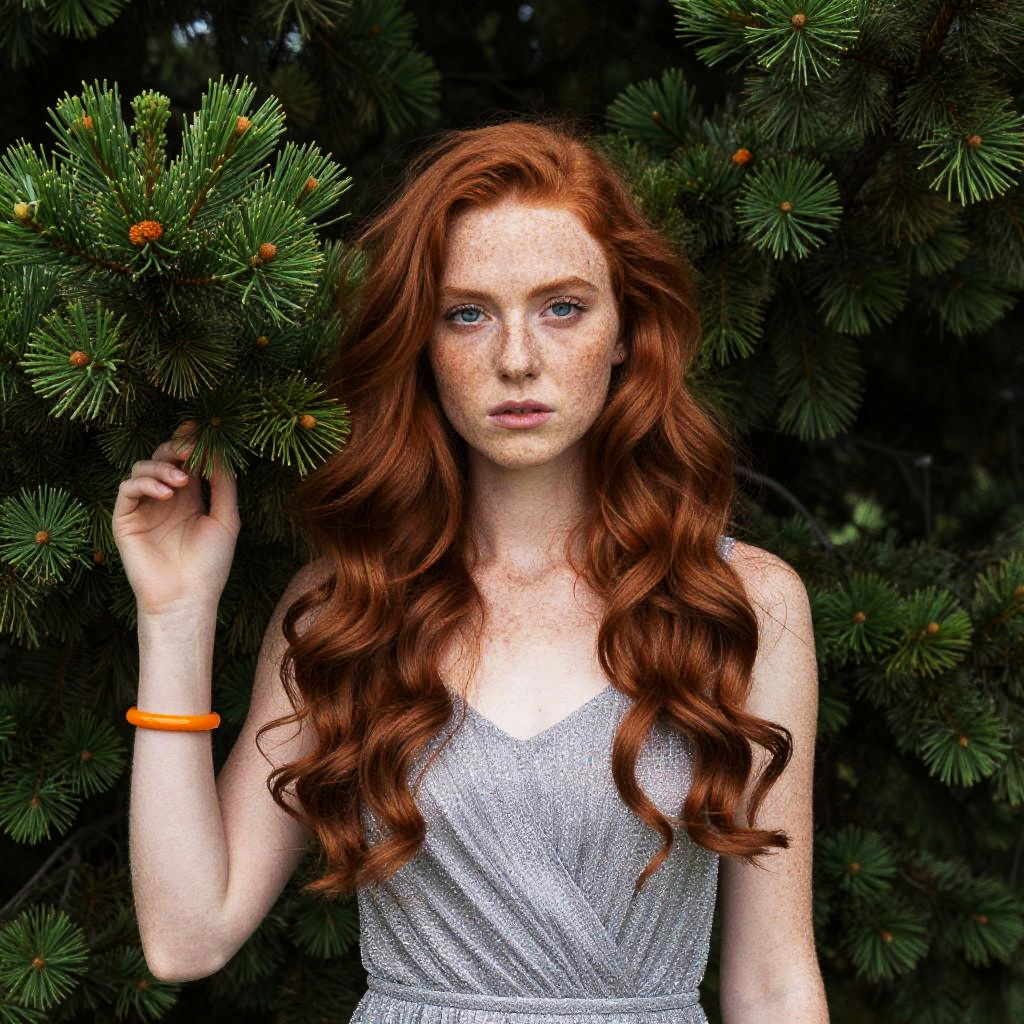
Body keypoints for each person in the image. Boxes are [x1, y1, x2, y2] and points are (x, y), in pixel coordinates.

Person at [114, 115, 828, 1023]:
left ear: (624, 331)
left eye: (562, 306)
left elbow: (773, 982)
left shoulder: (742, 603)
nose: (517, 359)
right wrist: (175, 614)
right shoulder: (352, 604)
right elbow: (186, 937)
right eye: (468, 313)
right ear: (422, 340)